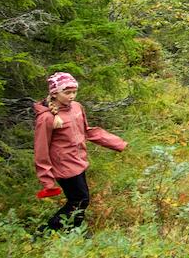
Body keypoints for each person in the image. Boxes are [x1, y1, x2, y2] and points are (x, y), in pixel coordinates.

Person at [33, 71, 127, 232]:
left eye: (74, 92)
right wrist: (47, 181)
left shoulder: (76, 107)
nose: (71, 96)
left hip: (79, 162)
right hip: (64, 166)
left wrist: (117, 143)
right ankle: (48, 231)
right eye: (67, 92)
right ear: (54, 93)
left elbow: (87, 131)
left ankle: (71, 230)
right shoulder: (46, 118)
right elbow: (41, 150)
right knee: (80, 200)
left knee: (79, 200)